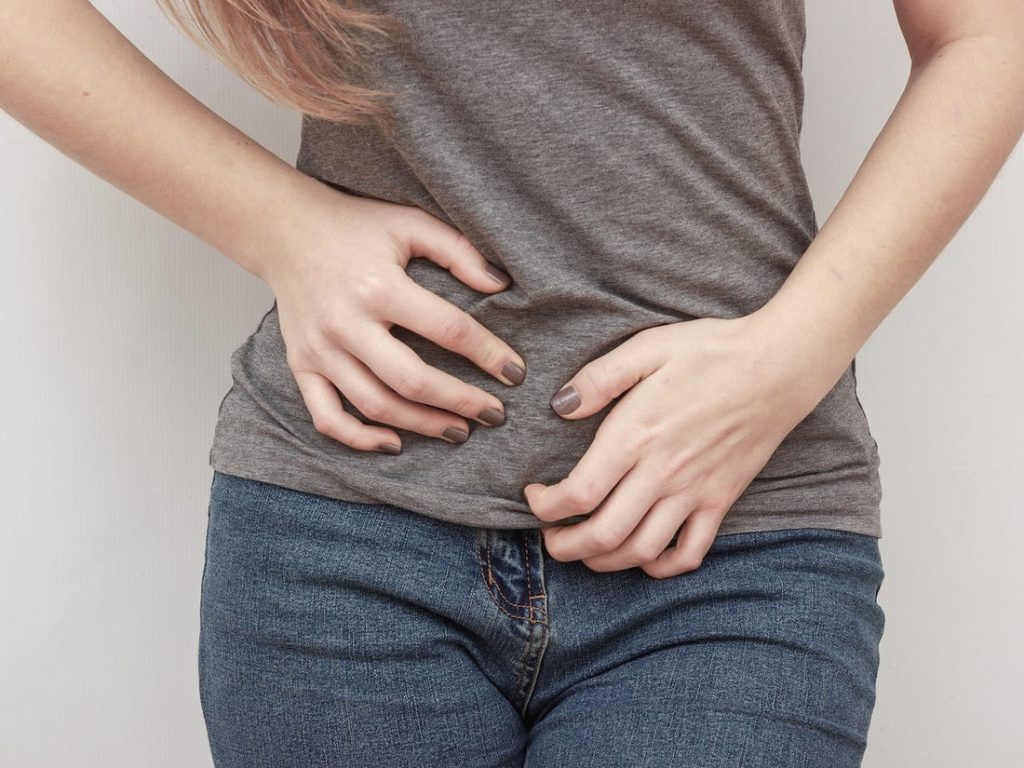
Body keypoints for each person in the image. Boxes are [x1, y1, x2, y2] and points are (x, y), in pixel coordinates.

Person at [3, 1, 1021, 766]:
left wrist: (793, 354)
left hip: (726, 532)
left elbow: (985, 33)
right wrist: (279, 227)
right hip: (346, 530)